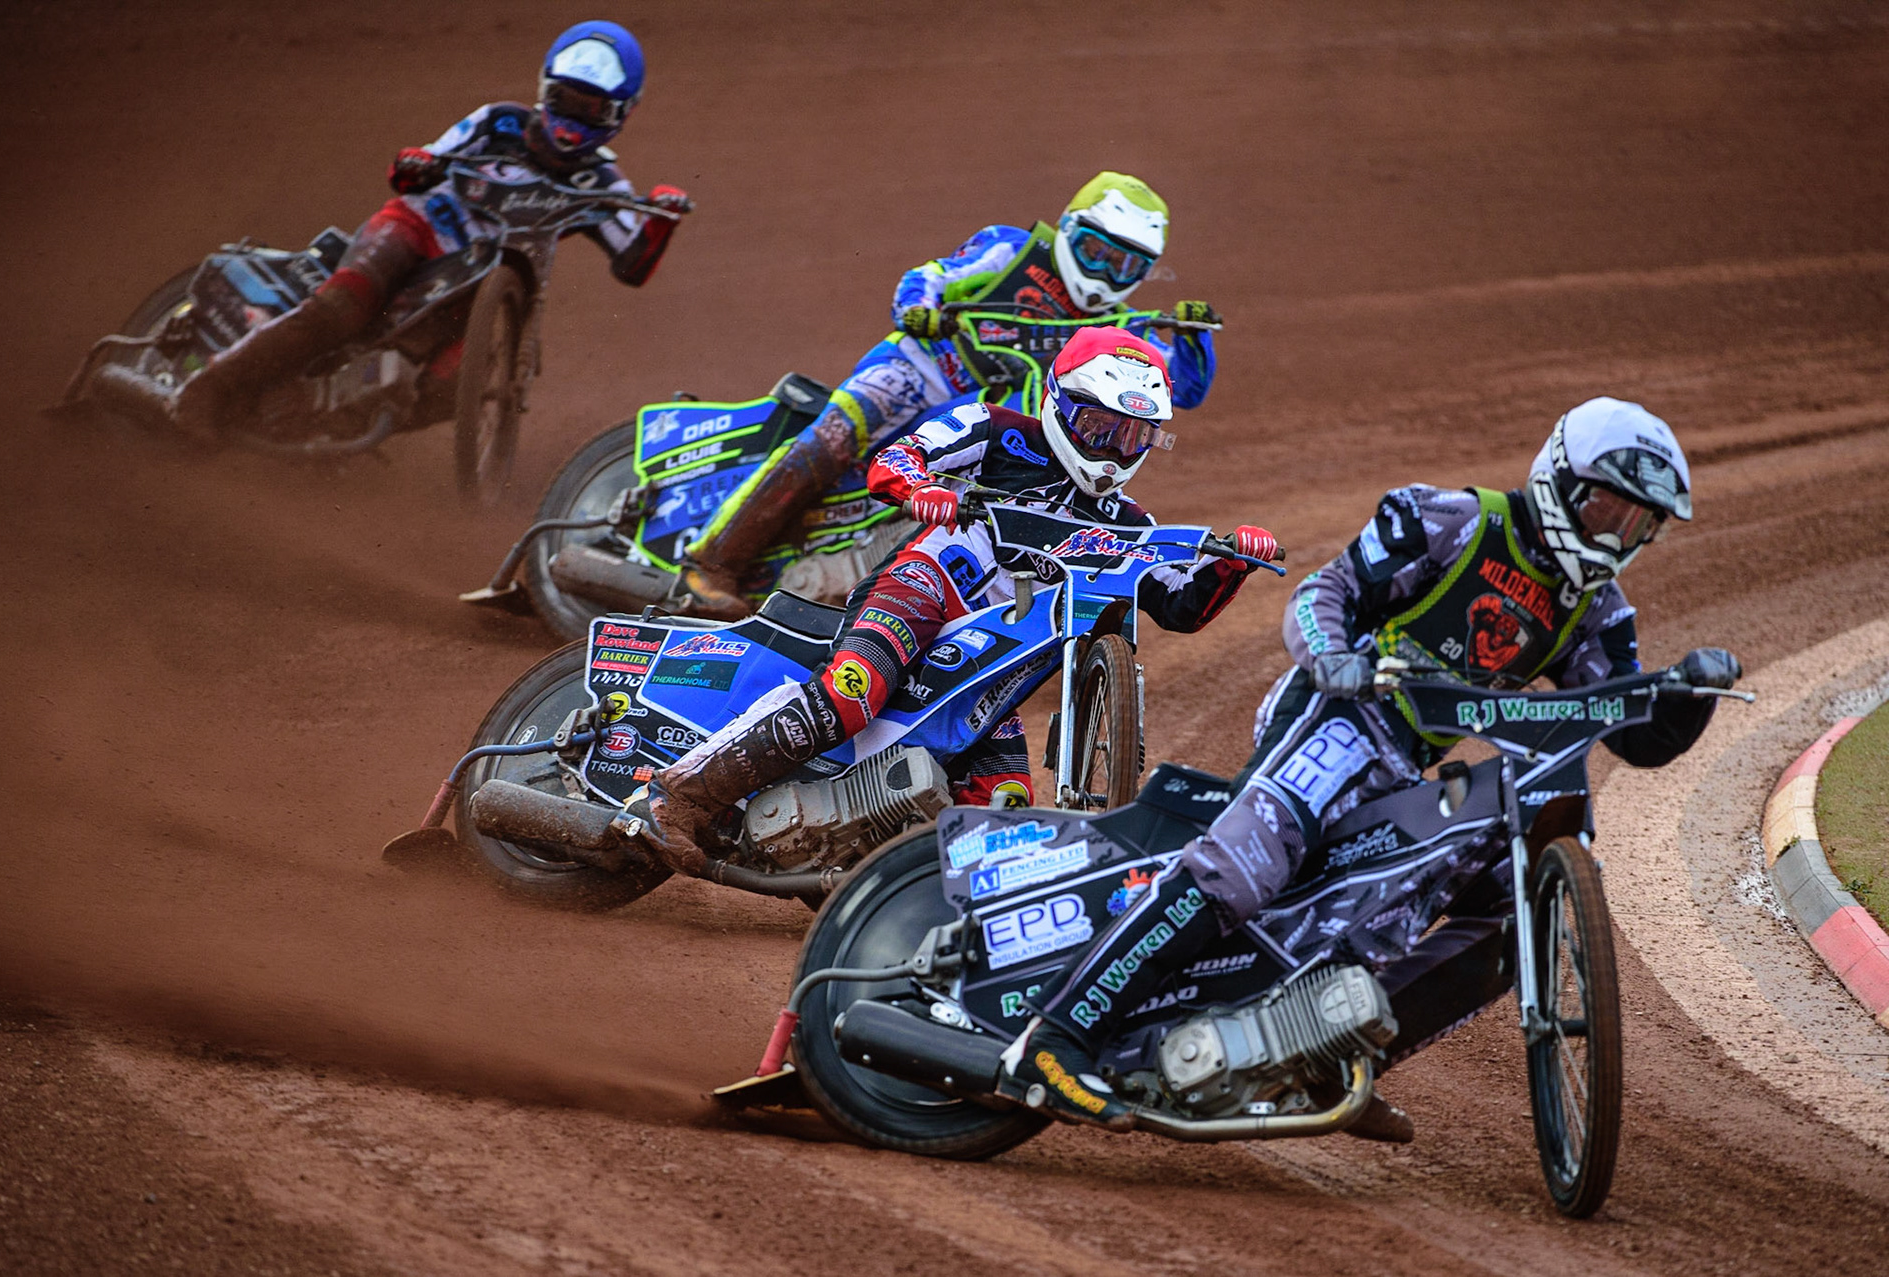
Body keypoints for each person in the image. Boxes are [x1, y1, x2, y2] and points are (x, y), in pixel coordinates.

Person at [999, 395, 1744, 1135]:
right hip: (1332, 716)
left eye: (1639, 523)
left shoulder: (1596, 610)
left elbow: (1635, 735)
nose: (1618, 535)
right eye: (1608, 511)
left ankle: (1328, 1059)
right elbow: (1325, 591)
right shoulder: (1452, 520)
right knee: (1245, 868)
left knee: (1498, 903)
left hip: (1404, 764)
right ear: (1563, 482)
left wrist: (1688, 692)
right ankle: (1055, 1035)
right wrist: (1334, 660)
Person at [635, 325, 1279, 874]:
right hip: (924, 590)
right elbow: (899, 459)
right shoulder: (996, 430)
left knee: (1005, 813)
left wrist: (1233, 562)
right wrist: (922, 488)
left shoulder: (1132, 525)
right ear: (1058, 401)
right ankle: (677, 802)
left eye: (1133, 436)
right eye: (1097, 426)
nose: (1112, 451)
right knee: (850, 696)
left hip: (994, 664)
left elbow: (1182, 608)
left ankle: (878, 889)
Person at [677, 172, 1222, 620]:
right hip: (921, 368)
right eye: (1095, 252)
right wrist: (918, 310)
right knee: (834, 439)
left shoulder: (1123, 328)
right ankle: (713, 563)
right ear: (1067, 229)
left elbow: (1182, 390)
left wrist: (1194, 338)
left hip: (983, 411)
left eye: (1125, 265)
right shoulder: (1013, 250)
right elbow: (932, 276)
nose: (1104, 274)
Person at [172, 21, 691, 441]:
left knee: (451, 387)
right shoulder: (498, 123)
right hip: (419, 229)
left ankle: (331, 423)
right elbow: (411, 172)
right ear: (545, 89)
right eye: (566, 98)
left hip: (478, 287)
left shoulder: (599, 180)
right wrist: (419, 163)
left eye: (591, 107)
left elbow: (633, 264)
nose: (573, 118)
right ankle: (210, 389)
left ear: (620, 112)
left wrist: (662, 219)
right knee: (346, 304)